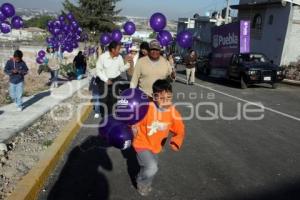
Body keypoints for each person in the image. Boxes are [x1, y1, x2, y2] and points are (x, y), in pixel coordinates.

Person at [132, 79, 185, 196]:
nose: (166, 101)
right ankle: (141, 182)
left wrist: (176, 141)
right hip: (141, 143)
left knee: (148, 167)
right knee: (152, 167)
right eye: (161, 98)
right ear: (154, 97)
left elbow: (180, 128)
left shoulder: (172, 112)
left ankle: (145, 179)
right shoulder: (146, 108)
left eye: (169, 97)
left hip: (156, 146)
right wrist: (133, 128)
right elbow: (134, 120)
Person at [95, 41, 132, 118]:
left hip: (115, 80)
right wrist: (106, 79)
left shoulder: (119, 57)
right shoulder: (103, 57)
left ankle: (111, 117)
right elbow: (98, 70)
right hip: (104, 81)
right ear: (113, 49)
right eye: (118, 49)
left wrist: (128, 64)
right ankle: (104, 116)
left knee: (114, 100)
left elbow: (121, 69)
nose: (120, 51)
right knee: (104, 100)